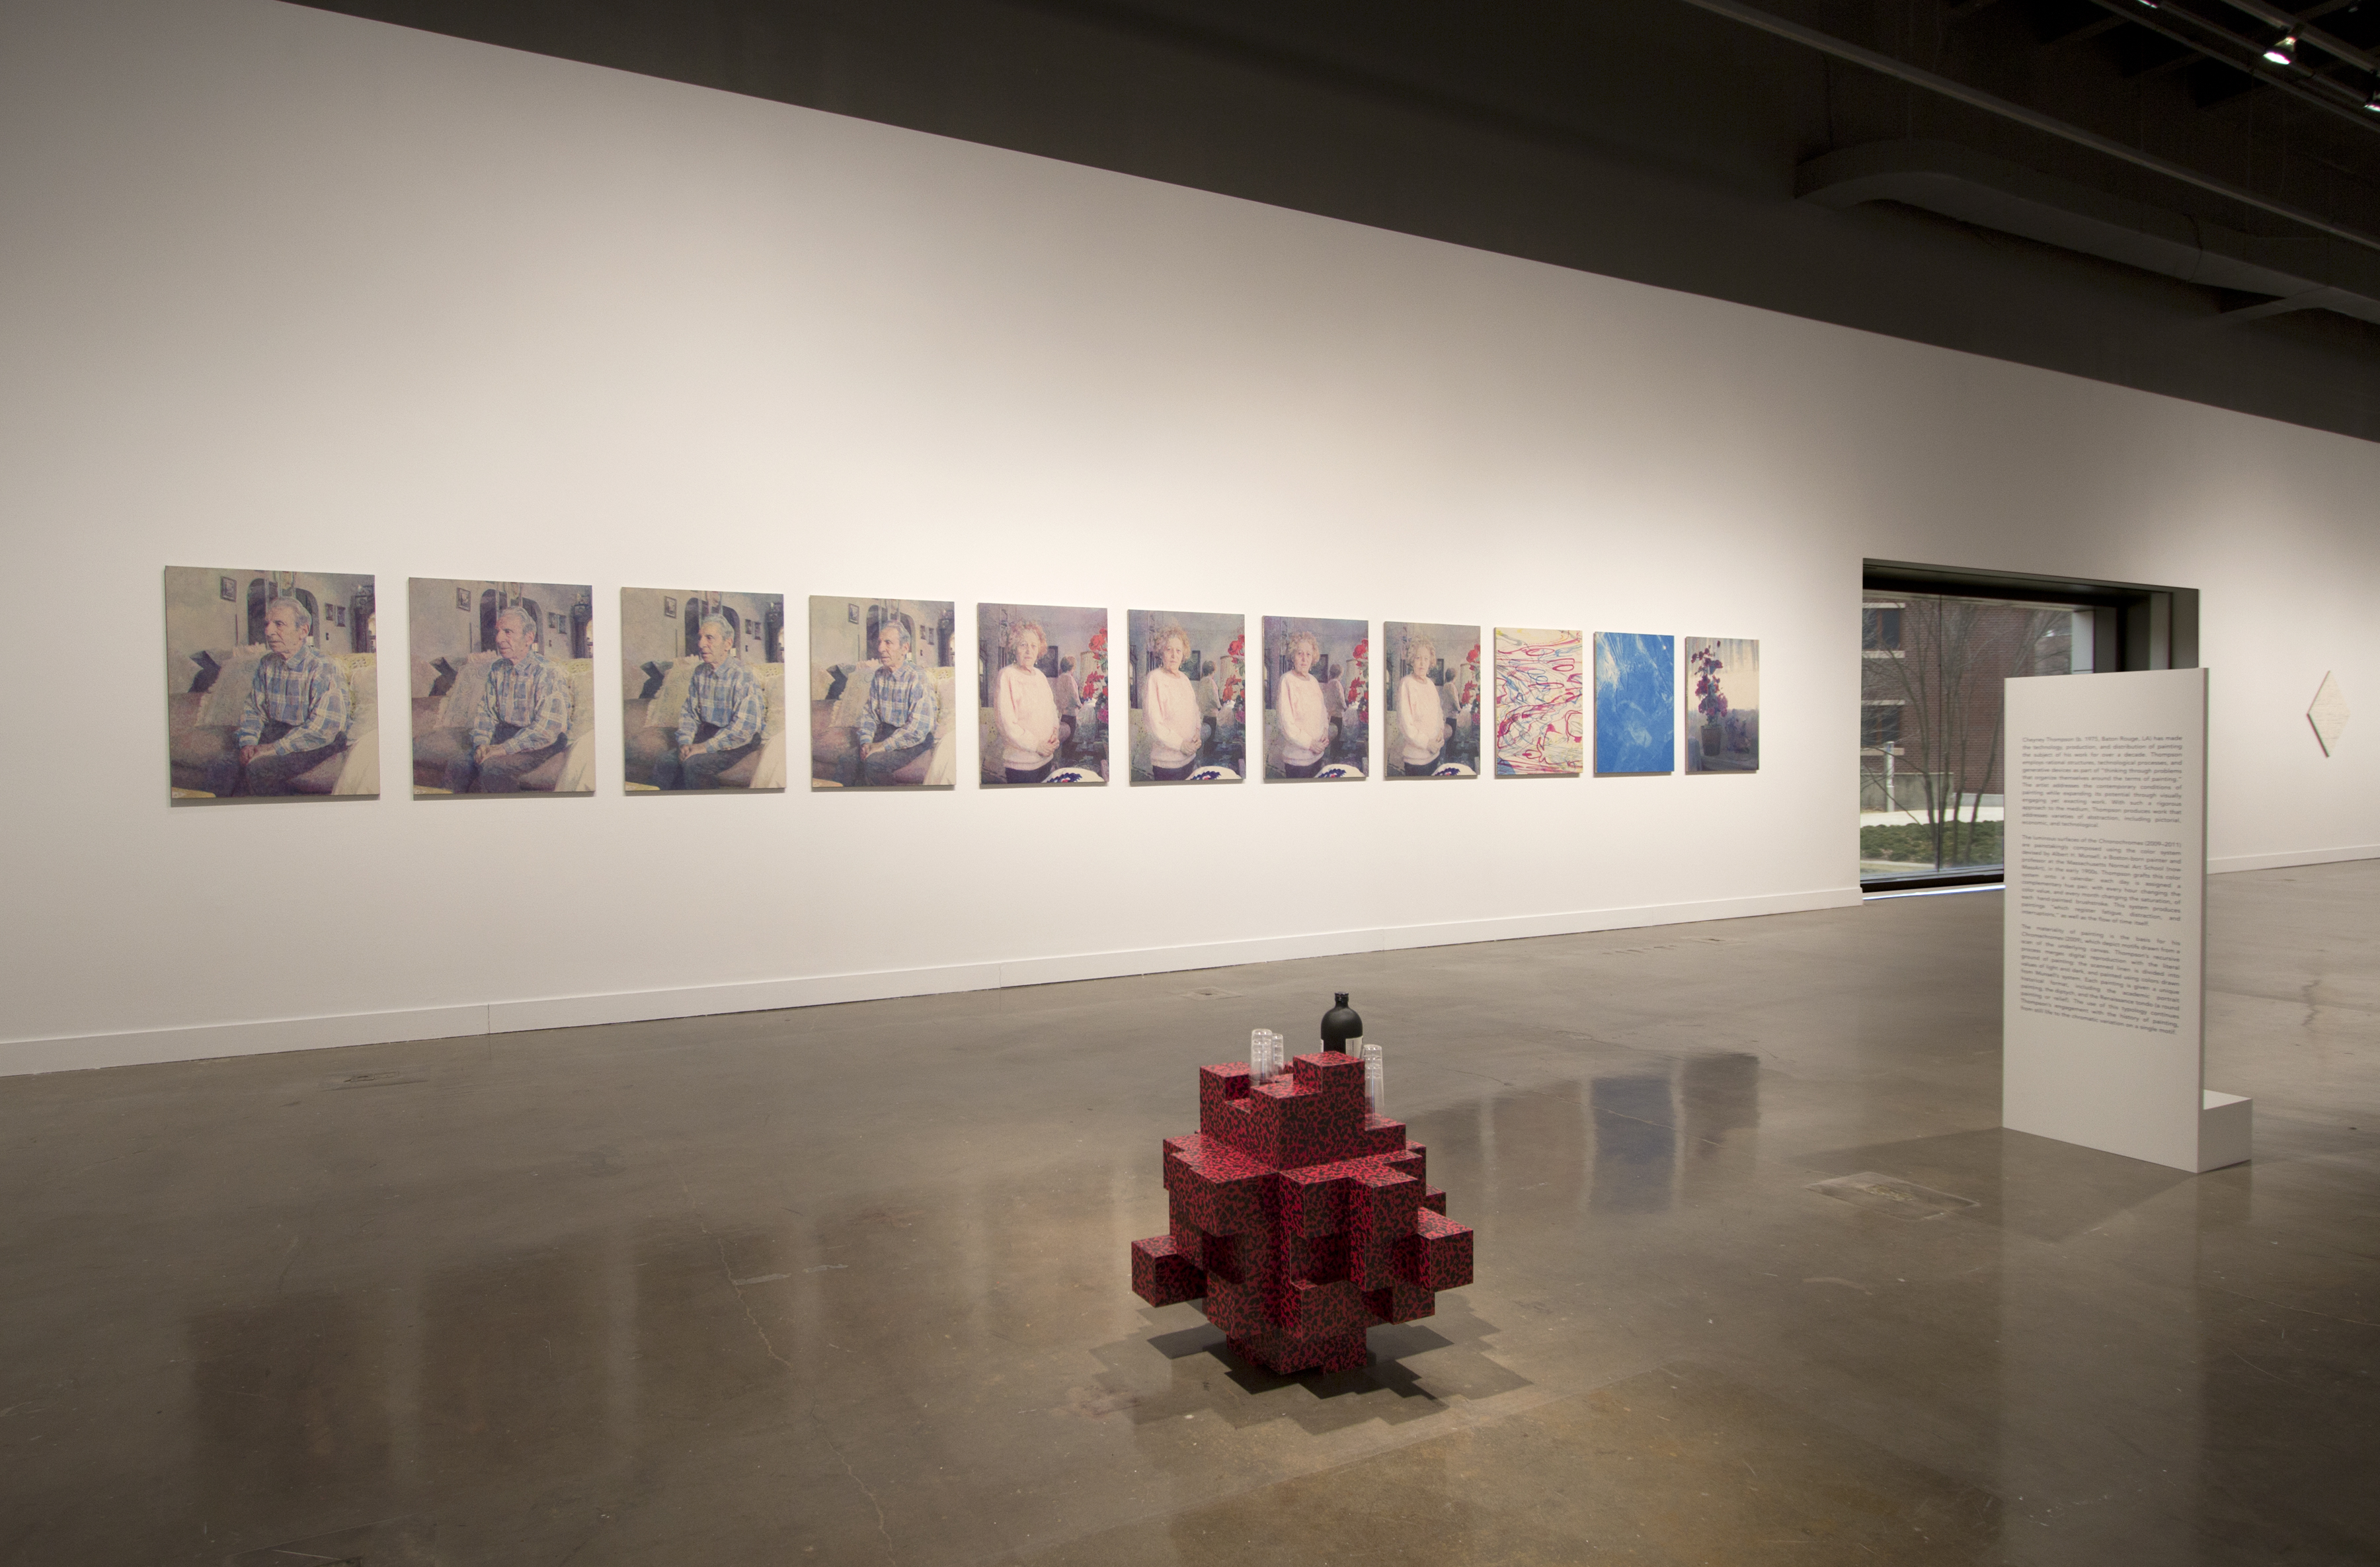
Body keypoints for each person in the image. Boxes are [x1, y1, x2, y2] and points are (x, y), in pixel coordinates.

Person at [203, 597, 348, 796]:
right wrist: (249, 743)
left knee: (259, 768)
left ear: (303, 631)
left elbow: (323, 728)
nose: (268, 632)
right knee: (223, 765)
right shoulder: (267, 663)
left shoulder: (323, 666)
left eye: (279, 624)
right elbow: (254, 709)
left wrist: (272, 749)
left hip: (321, 737)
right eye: (267, 624)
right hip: (279, 731)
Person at [447, 604, 571, 793]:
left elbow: (546, 729)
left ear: (529, 638)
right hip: (507, 732)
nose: (498, 639)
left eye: (508, 632)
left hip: (545, 738)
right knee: (459, 764)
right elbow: (486, 713)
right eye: (498, 632)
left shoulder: (547, 672)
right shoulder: (497, 669)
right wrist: (482, 743)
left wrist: (502, 749)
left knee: (493, 768)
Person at [653, 615, 763, 789]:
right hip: (709, 734)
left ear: (727, 644)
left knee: (693, 765)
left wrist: (704, 748)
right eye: (701, 638)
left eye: (709, 638)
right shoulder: (699, 672)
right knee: (665, 762)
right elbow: (690, 713)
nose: (701, 644)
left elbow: (744, 729)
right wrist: (686, 742)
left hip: (740, 740)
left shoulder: (743, 675)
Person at [838, 619, 937, 786]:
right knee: (847, 759)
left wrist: (882, 747)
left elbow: (917, 729)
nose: (880, 649)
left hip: (915, 739)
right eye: (880, 642)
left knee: (874, 763)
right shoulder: (879, 675)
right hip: (887, 733)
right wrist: (867, 741)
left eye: (888, 643)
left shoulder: (917, 677)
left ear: (904, 649)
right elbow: (870, 713)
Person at [991, 621, 1062, 784]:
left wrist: (1054, 733)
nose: (1029, 651)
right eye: (1023, 645)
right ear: (1014, 647)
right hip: (1021, 766)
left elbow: (1052, 710)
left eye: (1034, 646)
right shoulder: (1007, 675)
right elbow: (1007, 724)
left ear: (1039, 650)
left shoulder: (1041, 676)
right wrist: (1037, 746)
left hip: (1046, 759)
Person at [1140, 623, 1203, 781]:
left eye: (1178, 650)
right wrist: (1181, 744)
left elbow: (1195, 711)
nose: (1174, 655)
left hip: (1189, 758)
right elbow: (1154, 724)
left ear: (1183, 655)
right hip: (1167, 764)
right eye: (1169, 650)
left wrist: (1197, 731)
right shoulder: (1155, 678)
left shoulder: (1185, 679)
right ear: (1161, 653)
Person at [1274, 631, 1331, 778]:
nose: (1304, 659)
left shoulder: (1313, 681)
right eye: (1300, 654)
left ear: (1313, 658)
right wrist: (1311, 744)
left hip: (1318, 756)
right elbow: (1286, 724)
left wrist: (1325, 731)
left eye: (1308, 654)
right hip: (1297, 761)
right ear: (1293, 656)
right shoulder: (1286, 681)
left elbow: (1323, 712)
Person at [1396, 637, 1447, 776]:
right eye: (1418, 658)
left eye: (1426, 658)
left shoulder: (1430, 684)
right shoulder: (1407, 683)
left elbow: (1438, 713)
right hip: (1416, 760)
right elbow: (1405, 724)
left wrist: (1441, 731)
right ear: (1412, 660)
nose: (1422, 663)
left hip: (1434, 755)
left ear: (1431, 662)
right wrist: (1427, 743)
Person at [1051, 654, 1082, 758]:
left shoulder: (1060, 679)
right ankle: (1067, 760)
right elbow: (1074, 696)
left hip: (1062, 714)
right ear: (1073, 667)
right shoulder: (1070, 679)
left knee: (1065, 740)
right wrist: (1080, 705)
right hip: (1071, 713)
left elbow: (1058, 697)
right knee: (1070, 739)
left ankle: (1064, 759)